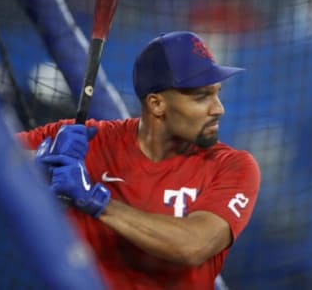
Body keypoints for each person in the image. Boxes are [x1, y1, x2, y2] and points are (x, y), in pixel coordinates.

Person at [17, 31, 260, 290]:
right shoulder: (86, 140)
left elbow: (195, 245)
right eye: (202, 97)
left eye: (217, 93)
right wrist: (38, 164)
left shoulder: (232, 166)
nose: (218, 108)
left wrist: (94, 200)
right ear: (157, 104)